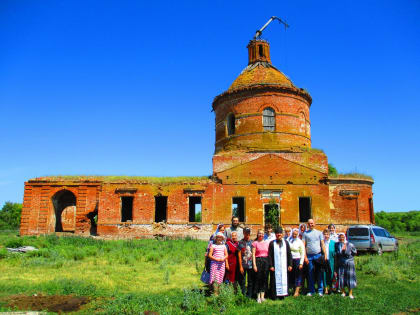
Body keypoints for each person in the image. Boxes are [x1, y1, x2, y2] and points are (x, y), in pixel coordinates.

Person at [303, 219, 327, 296]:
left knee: (319, 273)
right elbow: (303, 246)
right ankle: (311, 290)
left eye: (312, 223)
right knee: (310, 273)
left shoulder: (319, 233)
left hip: (318, 255)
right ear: (307, 224)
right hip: (309, 256)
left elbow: (322, 244)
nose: (311, 225)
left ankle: (320, 291)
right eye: (309, 223)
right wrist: (305, 257)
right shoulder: (305, 234)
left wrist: (325, 254)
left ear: (315, 224)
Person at [268, 227, 292, 299]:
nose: (279, 235)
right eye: (277, 233)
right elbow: (269, 255)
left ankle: (283, 294)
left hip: (284, 266)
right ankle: (274, 295)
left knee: (284, 278)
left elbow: (289, 254)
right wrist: (271, 265)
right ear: (275, 235)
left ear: (282, 234)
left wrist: (290, 264)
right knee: (274, 280)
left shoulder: (286, 243)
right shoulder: (272, 243)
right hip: (275, 266)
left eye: (280, 233)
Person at [334, 233, 357, 299]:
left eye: (342, 237)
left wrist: (350, 258)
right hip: (341, 263)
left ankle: (350, 293)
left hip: (349, 263)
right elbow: (337, 254)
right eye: (340, 237)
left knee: (350, 278)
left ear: (345, 237)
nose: (341, 238)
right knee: (341, 277)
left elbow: (355, 252)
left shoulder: (350, 244)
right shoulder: (337, 245)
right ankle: (343, 292)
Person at [252, 229, 270, 303]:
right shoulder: (255, 243)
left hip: (266, 261)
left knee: (264, 278)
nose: (261, 235)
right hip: (258, 260)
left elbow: (268, 254)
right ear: (257, 234)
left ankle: (263, 296)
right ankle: (258, 297)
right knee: (258, 278)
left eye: (262, 234)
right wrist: (254, 265)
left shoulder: (267, 243)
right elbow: (253, 254)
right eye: (259, 233)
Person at [238, 227, 254, 298]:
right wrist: (240, 266)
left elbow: (254, 254)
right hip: (243, 265)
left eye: (248, 233)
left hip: (250, 265)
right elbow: (239, 255)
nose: (247, 234)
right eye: (246, 233)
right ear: (243, 233)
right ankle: (243, 295)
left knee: (250, 281)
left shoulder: (252, 242)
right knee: (242, 281)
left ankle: (249, 295)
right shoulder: (240, 242)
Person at [288, 228, 305, 296]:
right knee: (291, 275)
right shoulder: (289, 239)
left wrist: (301, 263)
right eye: (293, 234)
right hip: (290, 259)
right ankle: (291, 289)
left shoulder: (299, 241)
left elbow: (302, 252)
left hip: (297, 259)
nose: (294, 235)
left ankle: (297, 291)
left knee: (298, 275)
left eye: (296, 234)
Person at [322, 229, 336, 294]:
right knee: (324, 274)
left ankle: (331, 287)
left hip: (331, 260)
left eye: (327, 234)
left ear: (329, 235)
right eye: (325, 234)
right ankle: (325, 288)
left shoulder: (333, 243)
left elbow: (335, 252)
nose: (326, 236)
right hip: (324, 260)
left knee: (331, 273)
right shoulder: (322, 242)